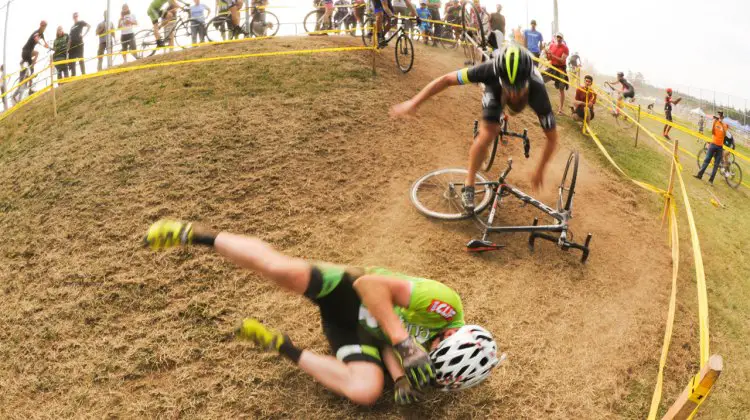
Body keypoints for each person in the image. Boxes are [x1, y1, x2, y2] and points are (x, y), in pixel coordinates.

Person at [143, 219, 503, 405]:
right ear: (452, 333)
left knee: (364, 391)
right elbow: (370, 287)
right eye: (435, 349)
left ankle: (281, 345)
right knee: (278, 269)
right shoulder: (443, 302)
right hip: (349, 292)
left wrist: (398, 376)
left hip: (354, 332)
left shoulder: (432, 349)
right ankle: (196, 235)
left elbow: (390, 349)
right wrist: (406, 343)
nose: (430, 352)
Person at [390, 45, 559, 213]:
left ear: (527, 82)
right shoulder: (488, 71)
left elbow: (552, 139)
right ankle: (469, 184)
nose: (514, 94)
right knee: (488, 133)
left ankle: (502, 115)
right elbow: (446, 80)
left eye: (519, 89)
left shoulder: (538, 91)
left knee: (510, 112)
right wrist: (414, 103)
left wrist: (540, 169)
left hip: (521, 92)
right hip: (496, 92)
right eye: (510, 88)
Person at [694, 111, 728, 184]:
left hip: (719, 147)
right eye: (719, 115)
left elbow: (724, 134)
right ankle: (699, 175)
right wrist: (715, 122)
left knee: (716, 165)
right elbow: (713, 132)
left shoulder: (725, 125)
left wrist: (721, 123)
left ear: (723, 117)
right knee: (706, 160)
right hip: (713, 144)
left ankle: (711, 180)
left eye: (721, 116)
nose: (720, 117)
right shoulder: (715, 122)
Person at [20, 21, 51, 93]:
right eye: (42, 26)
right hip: (26, 52)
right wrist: (42, 44)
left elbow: (45, 44)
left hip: (28, 52)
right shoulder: (36, 33)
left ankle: (28, 67)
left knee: (36, 53)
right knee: (32, 69)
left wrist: (50, 47)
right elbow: (36, 39)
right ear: (40, 25)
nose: (43, 28)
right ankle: (30, 89)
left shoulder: (42, 35)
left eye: (45, 27)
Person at [546, 32, 569, 115]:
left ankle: (560, 109)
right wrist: (547, 54)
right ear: (555, 38)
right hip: (552, 67)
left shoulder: (565, 48)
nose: (558, 39)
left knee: (561, 88)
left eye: (560, 37)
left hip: (560, 69)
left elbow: (562, 60)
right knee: (540, 79)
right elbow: (549, 58)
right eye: (557, 37)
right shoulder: (552, 45)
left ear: (562, 39)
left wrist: (552, 55)